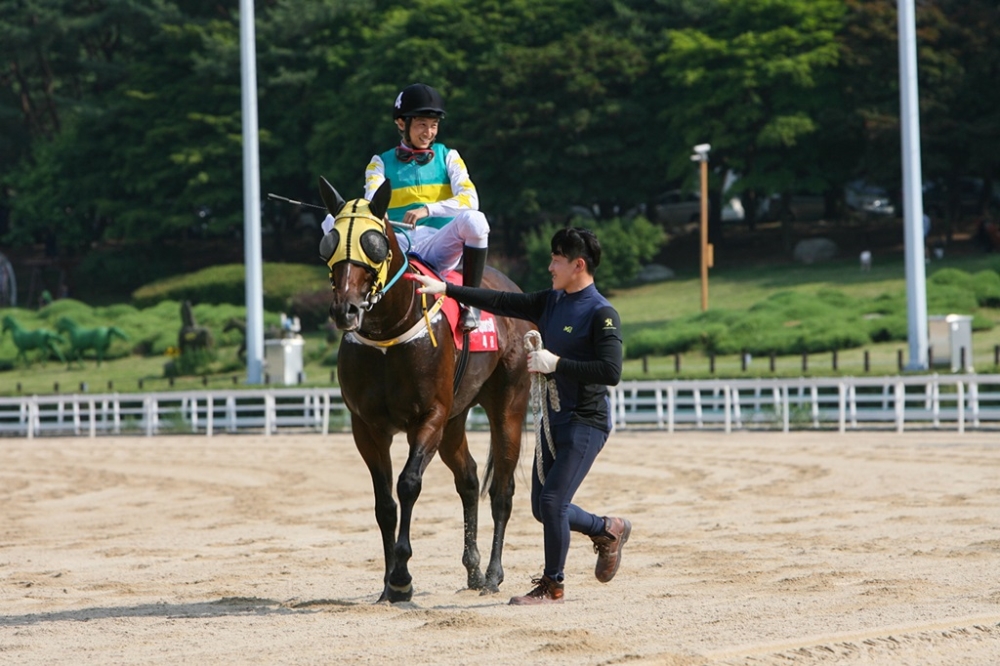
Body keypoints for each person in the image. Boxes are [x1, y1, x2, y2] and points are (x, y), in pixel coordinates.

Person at [407, 227, 630, 605]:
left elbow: (611, 371)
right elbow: (499, 300)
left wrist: (556, 363)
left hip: (585, 420)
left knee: (553, 503)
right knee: (543, 509)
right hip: (553, 420)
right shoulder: (551, 302)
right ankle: (608, 529)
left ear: (578, 265)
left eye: (556, 259)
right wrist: (447, 290)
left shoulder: (601, 313)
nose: (549, 266)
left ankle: (552, 586)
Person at [324, 82, 489, 331]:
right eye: (422, 124)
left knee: (476, 221)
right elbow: (373, 198)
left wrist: (428, 210)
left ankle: (471, 305)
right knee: (331, 223)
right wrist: (377, 211)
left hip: (438, 246)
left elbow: (470, 198)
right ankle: (348, 299)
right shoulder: (379, 162)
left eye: (434, 126)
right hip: (396, 245)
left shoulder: (449, 156)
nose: (429, 132)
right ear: (402, 124)